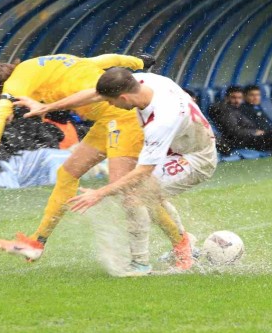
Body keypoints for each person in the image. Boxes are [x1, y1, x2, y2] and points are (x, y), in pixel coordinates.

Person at [0, 54, 194, 270]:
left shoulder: (15, 85)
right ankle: (36, 243)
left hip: (122, 117)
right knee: (68, 173)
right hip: (107, 120)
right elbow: (103, 60)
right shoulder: (42, 64)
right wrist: (137, 62)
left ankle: (179, 246)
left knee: (130, 192)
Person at [68, 67, 217, 275]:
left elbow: (143, 172)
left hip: (196, 159)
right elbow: (94, 94)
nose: (110, 105)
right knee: (147, 196)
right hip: (176, 150)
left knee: (135, 196)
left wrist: (99, 193)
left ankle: (141, 264)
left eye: (111, 102)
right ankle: (183, 245)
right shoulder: (144, 81)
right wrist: (46, 107)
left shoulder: (161, 120)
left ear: (123, 97)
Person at [208, 86, 272, 152]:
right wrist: (254, 132)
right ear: (227, 98)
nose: (237, 101)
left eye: (240, 98)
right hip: (238, 141)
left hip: (246, 137)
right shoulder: (226, 111)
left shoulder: (237, 109)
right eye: (233, 97)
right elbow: (234, 131)